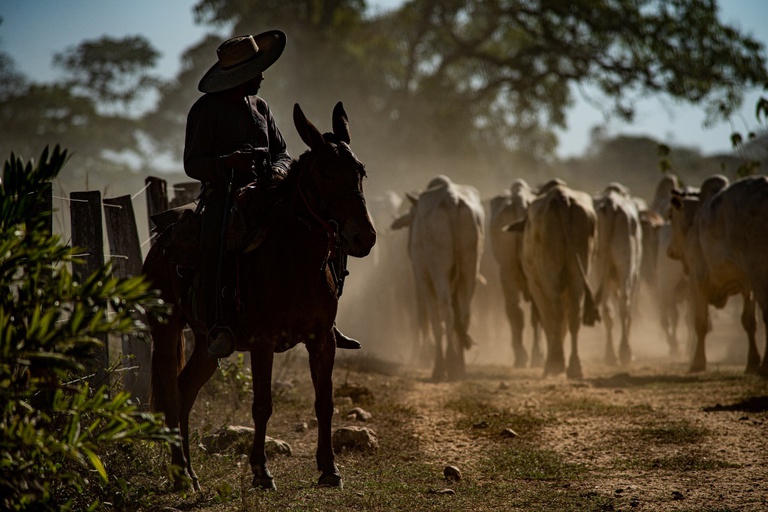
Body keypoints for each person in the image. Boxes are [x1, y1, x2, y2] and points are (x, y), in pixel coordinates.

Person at [184, 31, 361, 358]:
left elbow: (281, 151)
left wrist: (280, 170)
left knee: (320, 227)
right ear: (241, 75)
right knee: (215, 241)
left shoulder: (261, 107)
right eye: (257, 70)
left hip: (269, 189)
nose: (263, 76)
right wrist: (228, 163)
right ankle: (218, 323)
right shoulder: (205, 111)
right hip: (224, 195)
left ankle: (325, 317)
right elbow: (192, 163)